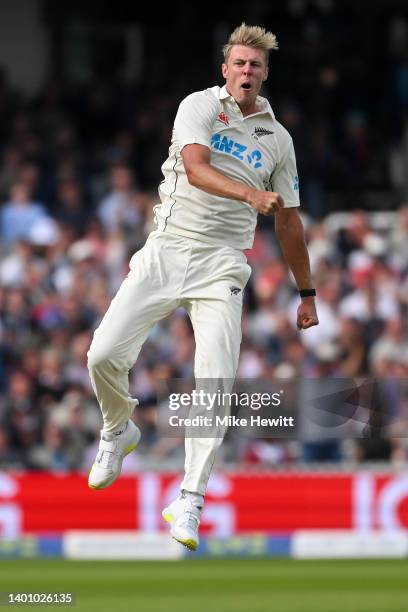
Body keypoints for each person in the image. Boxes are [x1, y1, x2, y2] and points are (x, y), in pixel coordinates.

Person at [87, 23, 319, 550]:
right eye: (239, 64)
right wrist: (249, 196)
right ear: (225, 69)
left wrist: (306, 293)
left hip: (223, 264)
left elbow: (289, 222)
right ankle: (118, 430)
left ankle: (190, 498)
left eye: (256, 66)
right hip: (168, 247)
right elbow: (194, 169)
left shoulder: (279, 139)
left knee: (215, 377)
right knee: (101, 355)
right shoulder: (199, 106)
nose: (246, 72)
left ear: (265, 74)